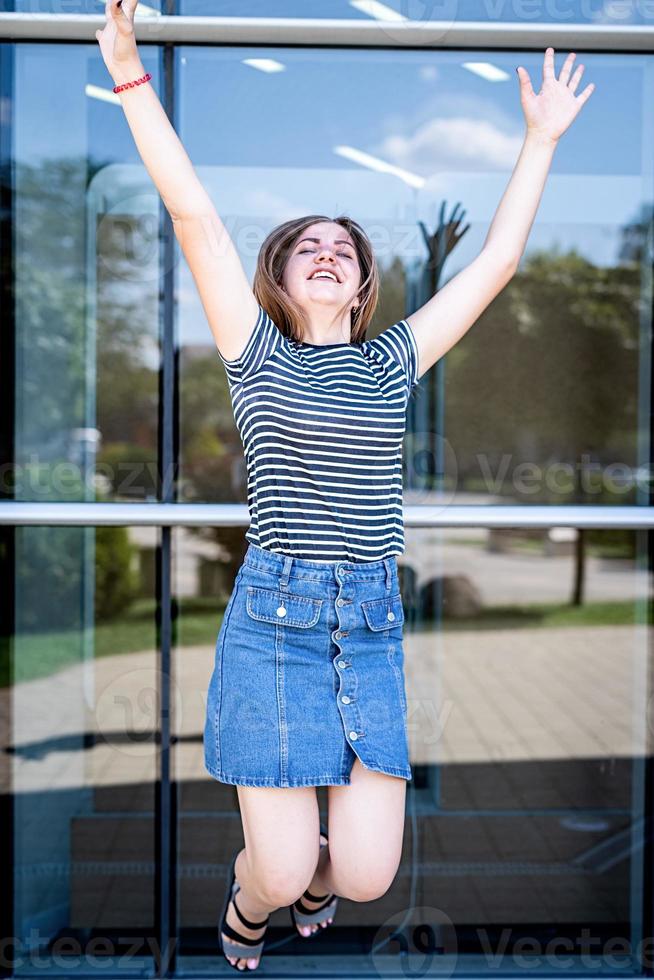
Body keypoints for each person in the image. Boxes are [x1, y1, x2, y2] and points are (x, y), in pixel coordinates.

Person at [96, 2, 595, 970]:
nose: (329, 251)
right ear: (279, 275)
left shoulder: (393, 358)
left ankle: (311, 883)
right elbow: (192, 211)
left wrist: (538, 140)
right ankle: (252, 899)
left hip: (367, 619)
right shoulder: (254, 353)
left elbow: (496, 264)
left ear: (363, 283)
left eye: (346, 247)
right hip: (272, 621)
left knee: (360, 877)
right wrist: (129, 73)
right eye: (307, 245)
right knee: (278, 875)